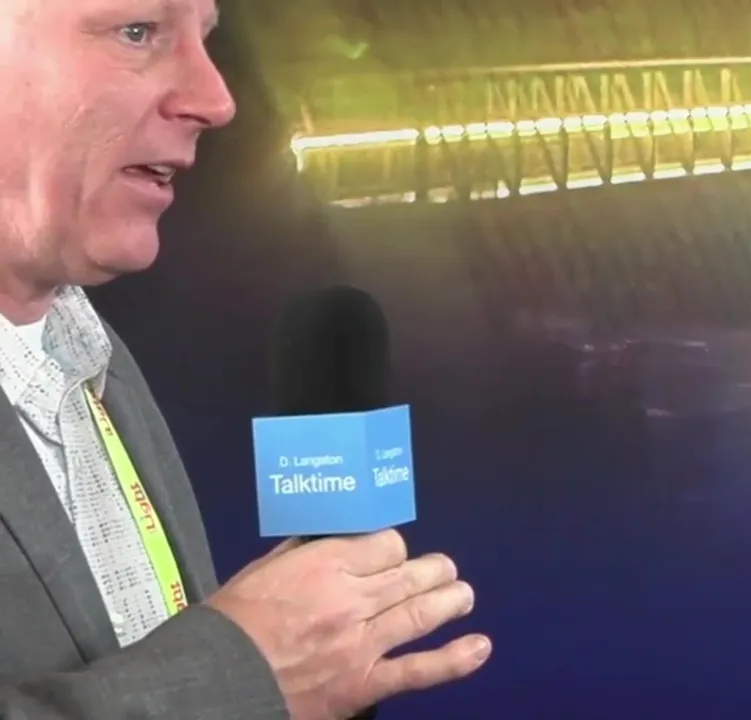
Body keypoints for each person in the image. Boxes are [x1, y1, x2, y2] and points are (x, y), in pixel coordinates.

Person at [0, 1, 490, 718]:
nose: (216, 100)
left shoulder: (91, 353)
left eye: (206, 37)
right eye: (138, 32)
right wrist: (239, 676)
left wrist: (276, 655)